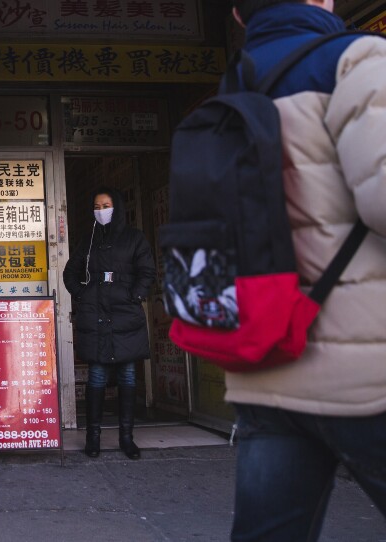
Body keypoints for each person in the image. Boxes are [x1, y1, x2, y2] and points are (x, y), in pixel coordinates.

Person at [225, 0, 386, 540]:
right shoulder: (356, 58)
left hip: (267, 366)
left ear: (239, 16)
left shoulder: (234, 87)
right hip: (367, 370)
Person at [63, 187, 156, 460]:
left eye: (106, 205)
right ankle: (94, 439)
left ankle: (127, 438)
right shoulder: (88, 240)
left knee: (127, 374)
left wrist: (135, 295)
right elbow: (71, 271)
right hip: (95, 314)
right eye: (97, 205)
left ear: (117, 207)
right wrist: (81, 294)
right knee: (97, 376)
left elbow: (147, 271)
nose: (101, 210)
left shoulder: (134, 238)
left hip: (125, 315)